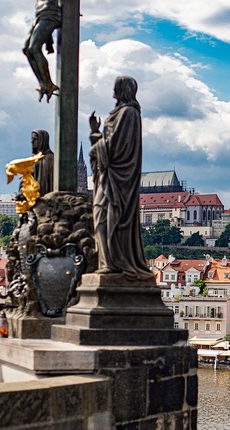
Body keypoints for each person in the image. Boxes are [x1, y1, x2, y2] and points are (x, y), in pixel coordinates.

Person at [88, 76, 154, 282]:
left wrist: (97, 143)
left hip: (118, 180)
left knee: (106, 219)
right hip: (109, 177)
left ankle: (113, 264)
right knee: (99, 218)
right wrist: (96, 134)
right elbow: (111, 143)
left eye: (115, 87)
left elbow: (117, 147)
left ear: (123, 89)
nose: (112, 92)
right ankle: (106, 262)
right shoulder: (121, 113)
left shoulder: (128, 113)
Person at [23, 0, 61, 102]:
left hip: (50, 15)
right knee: (27, 50)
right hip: (40, 16)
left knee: (34, 48)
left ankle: (48, 83)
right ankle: (43, 83)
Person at [31, 129, 55, 196]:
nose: (32, 141)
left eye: (35, 139)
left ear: (42, 141)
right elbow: (27, 179)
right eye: (32, 139)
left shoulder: (50, 159)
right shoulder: (33, 159)